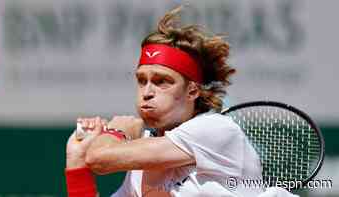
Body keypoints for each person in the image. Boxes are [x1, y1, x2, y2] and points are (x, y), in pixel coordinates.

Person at [65, 6, 295, 197]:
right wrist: (76, 162)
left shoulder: (214, 129)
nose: (147, 92)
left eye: (162, 81)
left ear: (192, 91)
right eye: (141, 80)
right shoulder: (144, 155)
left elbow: (100, 158)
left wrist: (117, 132)